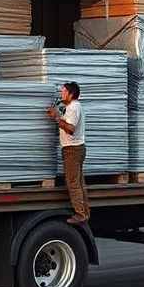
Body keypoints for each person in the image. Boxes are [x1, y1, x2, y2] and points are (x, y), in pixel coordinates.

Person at [47, 82, 89, 224]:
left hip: (72, 150)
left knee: (73, 183)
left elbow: (70, 128)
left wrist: (56, 117)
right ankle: (85, 212)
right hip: (77, 148)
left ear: (71, 94)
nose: (61, 94)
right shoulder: (73, 107)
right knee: (79, 183)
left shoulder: (73, 108)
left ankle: (80, 214)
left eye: (64, 91)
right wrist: (58, 113)